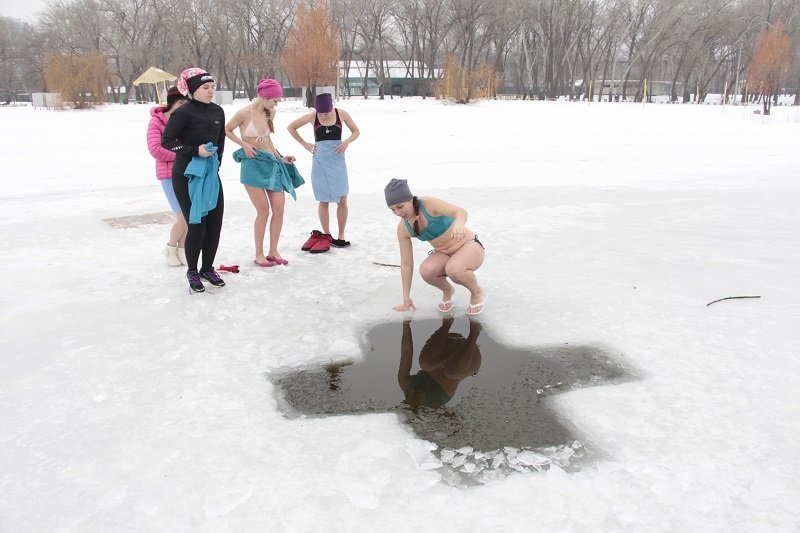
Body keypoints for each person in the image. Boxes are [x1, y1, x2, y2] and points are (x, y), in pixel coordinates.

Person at [161, 68, 226, 293]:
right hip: (187, 175)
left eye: (212, 87)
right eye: (205, 88)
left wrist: (217, 162)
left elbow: (221, 140)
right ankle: (192, 271)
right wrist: (194, 151)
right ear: (192, 90)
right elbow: (167, 142)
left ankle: (207, 268)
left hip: (210, 175)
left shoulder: (218, 111)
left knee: (215, 223)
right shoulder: (183, 113)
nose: (211, 91)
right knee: (197, 225)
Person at [224, 78, 301, 267]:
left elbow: (267, 140)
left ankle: (273, 251)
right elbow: (227, 130)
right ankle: (259, 254)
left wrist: (280, 157)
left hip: (271, 163)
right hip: (252, 166)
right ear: (265, 96)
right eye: (275, 99)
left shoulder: (270, 112)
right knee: (263, 210)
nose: (277, 103)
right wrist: (244, 144)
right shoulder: (243, 113)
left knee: (279, 208)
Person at [385, 178, 486, 315]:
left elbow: (461, 212)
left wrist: (459, 224)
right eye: (392, 210)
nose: (397, 213)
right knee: (426, 271)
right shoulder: (404, 229)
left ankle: (477, 292)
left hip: (469, 246)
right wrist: (406, 298)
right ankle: (448, 290)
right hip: (444, 254)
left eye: (400, 207)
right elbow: (406, 264)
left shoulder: (428, 204)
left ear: (409, 199)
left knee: (454, 269)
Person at [287, 93, 360, 253]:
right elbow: (291, 127)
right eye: (321, 113)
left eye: (326, 112)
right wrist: (304, 144)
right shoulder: (312, 116)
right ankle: (326, 234)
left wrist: (346, 142)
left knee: (342, 198)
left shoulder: (342, 114)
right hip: (320, 160)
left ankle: (340, 236)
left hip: (338, 159)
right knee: (323, 199)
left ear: (332, 107)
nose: (323, 115)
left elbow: (356, 131)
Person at [397, 318, 482, 408]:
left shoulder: (405, 383)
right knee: (451, 373)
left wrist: (406, 324)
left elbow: (406, 353)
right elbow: (454, 420)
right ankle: (474, 331)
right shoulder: (434, 407)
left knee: (425, 364)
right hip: (470, 357)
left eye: (410, 400)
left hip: (449, 344)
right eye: (416, 402)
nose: (414, 399)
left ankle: (447, 322)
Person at [147, 86, 188, 266]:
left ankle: (182, 249)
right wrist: (183, 154)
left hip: (186, 172)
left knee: (189, 216)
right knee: (182, 217)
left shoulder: (185, 121)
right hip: (168, 175)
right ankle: (171, 248)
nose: (183, 106)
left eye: (186, 103)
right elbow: (156, 149)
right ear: (171, 103)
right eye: (180, 103)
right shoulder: (157, 122)